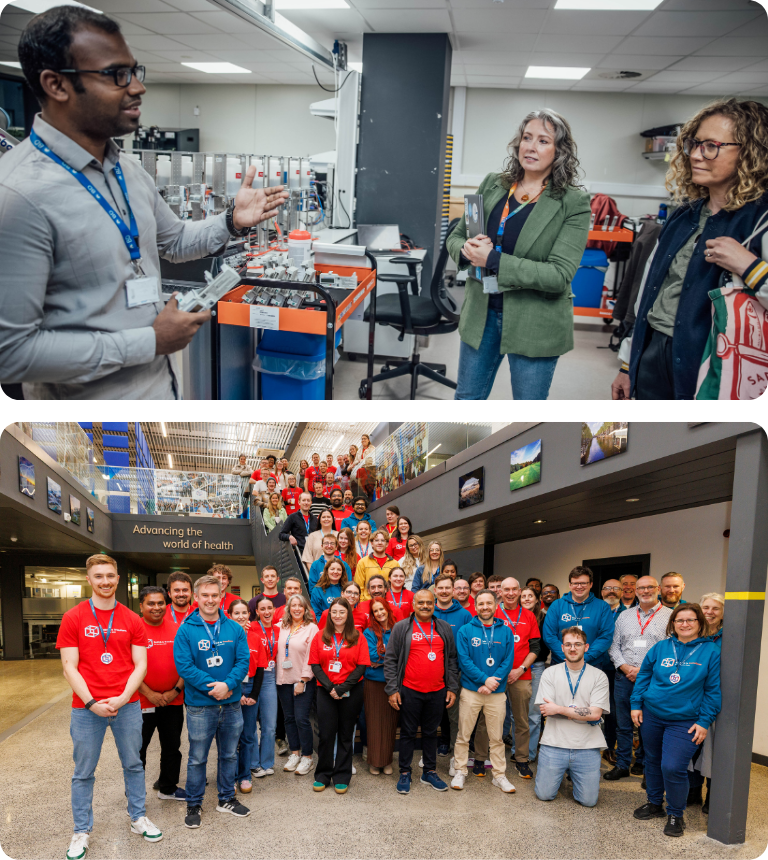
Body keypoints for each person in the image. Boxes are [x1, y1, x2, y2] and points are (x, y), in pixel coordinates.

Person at [0, 7, 286, 400]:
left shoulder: (130, 172)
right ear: (56, 85)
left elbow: (176, 241)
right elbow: (11, 354)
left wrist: (231, 221)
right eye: (116, 74)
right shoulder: (18, 195)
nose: (137, 87)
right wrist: (147, 342)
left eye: (135, 71)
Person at [612, 98, 768, 401]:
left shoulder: (760, 222)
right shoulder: (684, 216)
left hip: (714, 365)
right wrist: (628, 362)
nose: (696, 154)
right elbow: (648, 292)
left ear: (751, 152)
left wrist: (750, 267)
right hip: (654, 352)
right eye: (694, 144)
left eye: (711, 146)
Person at [448, 108, 590, 400]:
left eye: (543, 141)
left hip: (535, 319)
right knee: (466, 399)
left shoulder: (573, 202)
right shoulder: (492, 184)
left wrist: (493, 260)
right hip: (482, 313)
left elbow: (559, 275)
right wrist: (465, 249)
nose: (531, 147)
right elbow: (456, 237)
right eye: (527, 137)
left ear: (559, 151)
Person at [56, 554, 160, 859]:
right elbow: (69, 667)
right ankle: (81, 831)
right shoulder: (73, 617)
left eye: (110, 576)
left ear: (118, 579)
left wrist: (123, 697)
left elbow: (140, 665)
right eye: (99, 576)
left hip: (127, 706)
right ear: (89, 579)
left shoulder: (131, 619)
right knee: (83, 772)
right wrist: (92, 702)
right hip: (86, 709)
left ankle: (138, 818)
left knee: (134, 764)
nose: (105, 581)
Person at [631, 604, 722, 837]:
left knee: (672, 766)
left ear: (700, 623)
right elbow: (644, 676)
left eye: (690, 620)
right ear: (672, 624)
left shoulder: (711, 651)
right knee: (652, 760)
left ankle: (675, 814)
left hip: (685, 720)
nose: (685, 624)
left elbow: (713, 691)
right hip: (652, 714)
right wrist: (636, 704)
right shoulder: (661, 647)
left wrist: (704, 721)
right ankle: (654, 803)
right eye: (679, 620)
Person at [173, 574, 251, 828]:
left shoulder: (234, 629)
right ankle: (194, 803)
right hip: (200, 707)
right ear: (196, 597)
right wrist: (215, 687)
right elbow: (185, 667)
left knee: (229, 755)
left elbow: (243, 661)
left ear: (221, 597)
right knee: (197, 758)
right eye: (204, 595)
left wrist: (227, 685)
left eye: (214, 595)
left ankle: (226, 798)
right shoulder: (186, 630)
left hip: (231, 705)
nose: (210, 600)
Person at [383, 589, 459, 795]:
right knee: (408, 733)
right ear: (413, 605)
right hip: (410, 690)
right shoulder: (402, 627)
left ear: (434, 604)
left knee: (431, 732)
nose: (425, 606)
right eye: (421, 603)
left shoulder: (443, 627)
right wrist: (392, 689)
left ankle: (429, 772)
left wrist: (452, 687)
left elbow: (451, 659)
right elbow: (390, 660)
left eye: (429, 603)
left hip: (437, 691)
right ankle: (405, 772)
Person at [534, 627, 611, 808]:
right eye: (568, 645)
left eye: (577, 644)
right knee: (544, 795)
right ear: (562, 648)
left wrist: (559, 709)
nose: (573, 648)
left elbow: (596, 713)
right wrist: (583, 713)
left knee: (588, 801)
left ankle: (572, 774)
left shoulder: (599, 676)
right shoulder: (550, 673)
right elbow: (546, 710)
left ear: (586, 647)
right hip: (554, 744)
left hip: (587, 746)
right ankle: (561, 774)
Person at [606, 576, 672, 782]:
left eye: (649, 587)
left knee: (649, 725)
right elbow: (613, 646)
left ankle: (644, 766)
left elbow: (671, 650)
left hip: (653, 679)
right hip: (624, 677)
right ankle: (622, 764)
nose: (645, 591)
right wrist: (625, 667)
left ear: (658, 589)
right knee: (623, 724)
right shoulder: (624, 616)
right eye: (641, 588)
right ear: (635, 591)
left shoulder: (671, 616)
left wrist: (643, 672)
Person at [451, 589, 517, 794]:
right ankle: (460, 770)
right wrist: (484, 680)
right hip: (471, 691)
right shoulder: (465, 631)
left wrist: (491, 683)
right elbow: (464, 661)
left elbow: (508, 661)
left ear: (496, 605)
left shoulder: (506, 631)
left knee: (496, 738)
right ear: (475, 606)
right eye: (481, 604)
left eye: (489, 603)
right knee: (464, 735)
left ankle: (499, 775)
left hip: (496, 692)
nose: (485, 607)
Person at [309, 597, 370, 793]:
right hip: (325, 690)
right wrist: (330, 688)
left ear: (348, 614)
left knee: (345, 734)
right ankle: (323, 774)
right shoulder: (320, 636)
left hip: (351, 690)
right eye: (334, 612)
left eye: (342, 612)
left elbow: (361, 666)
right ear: (329, 614)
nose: (337, 615)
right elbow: (315, 665)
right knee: (326, 734)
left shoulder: (358, 636)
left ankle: (342, 775)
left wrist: (342, 688)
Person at [137, 586, 186, 802]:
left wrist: (176, 690)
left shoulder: (178, 629)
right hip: (141, 702)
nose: (156, 607)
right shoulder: (134, 629)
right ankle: (136, 795)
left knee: (172, 747)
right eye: (151, 603)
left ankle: (168, 787)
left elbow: (187, 664)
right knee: (138, 750)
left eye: (160, 603)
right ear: (141, 606)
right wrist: (149, 693)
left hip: (173, 701)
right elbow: (127, 667)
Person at [496, 577, 541, 780]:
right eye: (507, 589)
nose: (511, 593)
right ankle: (485, 757)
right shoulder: (493, 612)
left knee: (522, 720)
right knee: (489, 719)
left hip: (521, 675)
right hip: (496, 676)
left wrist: (520, 669)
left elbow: (535, 648)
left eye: (514, 589)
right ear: (500, 592)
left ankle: (521, 759)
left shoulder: (529, 616)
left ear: (519, 591)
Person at [432, 574, 478, 759]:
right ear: (435, 590)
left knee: (455, 713)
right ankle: (443, 742)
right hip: (432, 672)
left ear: (453, 590)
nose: (444, 591)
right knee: (437, 711)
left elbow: (469, 645)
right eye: (440, 588)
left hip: (456, 671)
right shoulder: (428, 611)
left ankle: (456, 752)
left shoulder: (465, 615)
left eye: (447, 588)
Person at [688, 592, 724, 813]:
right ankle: (693, 792)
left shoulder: (729, 636)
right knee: (693, 745)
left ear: (723, 613)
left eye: (715, 608)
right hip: (693, 698)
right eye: (706, 608)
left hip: (717, 698)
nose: (710, 612)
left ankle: (713, 794)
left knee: (714, 750)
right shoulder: (692, 633)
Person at [542, 566, 615, 672]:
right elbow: (549, 635)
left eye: (583, 583)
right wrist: (567, 656)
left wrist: (585, 657)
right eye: (575, 583)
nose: (579, 587)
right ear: (570, 585)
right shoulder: (556, 605)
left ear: (591, 584)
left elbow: (605, 636)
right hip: (561, 663)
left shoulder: (603, 607)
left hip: (592, 664)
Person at [276, 594, 319, 777]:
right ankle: (295, 753)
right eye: (293, 605)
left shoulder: (312, 628)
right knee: (289, 718)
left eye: (300, 606)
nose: (296, 609)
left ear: (305, 609)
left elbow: (312, 656)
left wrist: (303, 680)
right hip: (283, 680)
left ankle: (307, 757)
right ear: (288, 608)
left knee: (301, 719)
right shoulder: (282, 626)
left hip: (302, 681)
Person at [229, 599, 265, 795]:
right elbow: (224, 669)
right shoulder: (224, 638)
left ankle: (244, 776)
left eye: (244, 613)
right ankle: (230, 777)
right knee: (230, 736)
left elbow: (260, 668)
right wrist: (237, 693)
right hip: (231, 689)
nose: (241, 616)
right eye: (237, 613)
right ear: (230, 615)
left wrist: (253, 694)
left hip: (251, 687)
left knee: (248, 735)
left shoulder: (256, 637)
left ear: (249, 615)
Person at [363, 599, 399, 776]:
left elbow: (403, 655)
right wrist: (392, 659)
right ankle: (375, 762)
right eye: (375, 611)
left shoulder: (398, 629)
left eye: (381, 609)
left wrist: (383, 658)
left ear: (388, 609)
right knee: (374, 723)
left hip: (393, 683)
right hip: (373, 683)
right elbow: (371, 656)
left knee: (390, 723)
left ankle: (386, 761)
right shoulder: (369, 632)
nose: (379, 613)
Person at [247, 595, 279, 779]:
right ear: (257, 612)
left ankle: (267, 762)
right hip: (252, 677)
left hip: (269, 678)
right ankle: (253, 763)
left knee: (270, 725)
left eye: (269, 608)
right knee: (250, 725)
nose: (267, 612)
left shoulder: (279, 629)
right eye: (262, 609)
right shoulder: (250, 627)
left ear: (274, 610)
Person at [519, 586, 550, 763]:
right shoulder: (514, 617)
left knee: (533, 712)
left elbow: (544, 644)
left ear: (538, 599)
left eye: (530, 596)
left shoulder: (544, 619)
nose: (526, 599)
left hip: (536, 666)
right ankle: (517, 750)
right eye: (523, 596)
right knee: (516, 713)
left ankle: (529, 753)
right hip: (516, 668)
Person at [355, 528, 400, 599]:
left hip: (389, 602)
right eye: (376, 540)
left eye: (382, 540)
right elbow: (359, 587)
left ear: (387, 544)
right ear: (372, 544)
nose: (380, 543)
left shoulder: (395, 564)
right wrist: (363, 603)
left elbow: (397, 586)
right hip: (368, 602)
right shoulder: (362, 562)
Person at [231, 455, 253, 519]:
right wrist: (242, 472)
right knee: (237, 500)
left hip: (246, 486)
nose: (242, 460)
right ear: (239, 460)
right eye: (241, 459)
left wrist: (241, 474)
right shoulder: (236, 466)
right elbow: (233, 471)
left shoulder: (248, 466)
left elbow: (251, 472)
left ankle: (244, 516)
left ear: (245, 460)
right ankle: (237, 515)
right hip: (237, 485)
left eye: (244, 459)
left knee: (245, 501)